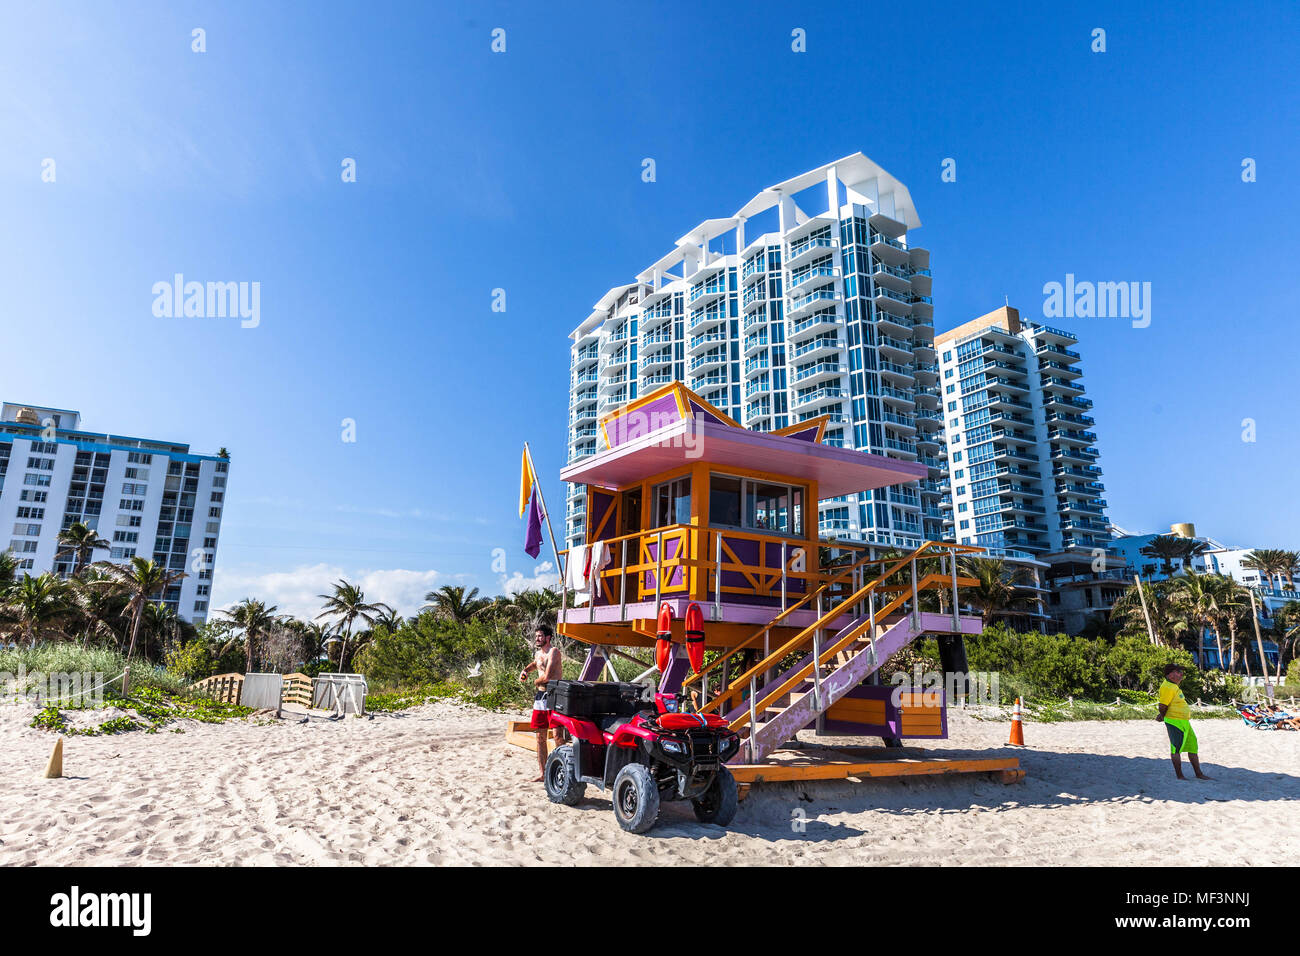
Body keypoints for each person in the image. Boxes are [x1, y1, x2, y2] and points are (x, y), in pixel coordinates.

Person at [520, 624, 563, 781]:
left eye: (540, 636)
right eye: (536, 636)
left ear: (548, 637)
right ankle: (543, 773)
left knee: (558, 736)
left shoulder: (554, 652)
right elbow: (535, 664)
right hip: (540, 698)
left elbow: (548, 677)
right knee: (539, 736)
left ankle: (562, 772)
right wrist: (525, 671)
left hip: (554, 695)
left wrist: (535, 682)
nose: (537, 639)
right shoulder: (538, 653)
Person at [1156, 663, 1211, 780]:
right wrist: (1162, 715)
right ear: (1170, 675)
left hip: (1184, 721)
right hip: (1174, 721)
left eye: (1182, 672)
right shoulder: (1167, 687)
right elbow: (1162, 706)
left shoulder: (1173, 686)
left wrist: (1161, 715)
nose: (1181, 674)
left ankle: (1199, 774)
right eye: (1178, 672)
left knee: (1192, 746)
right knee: (1176, 748)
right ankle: (1180, 776)